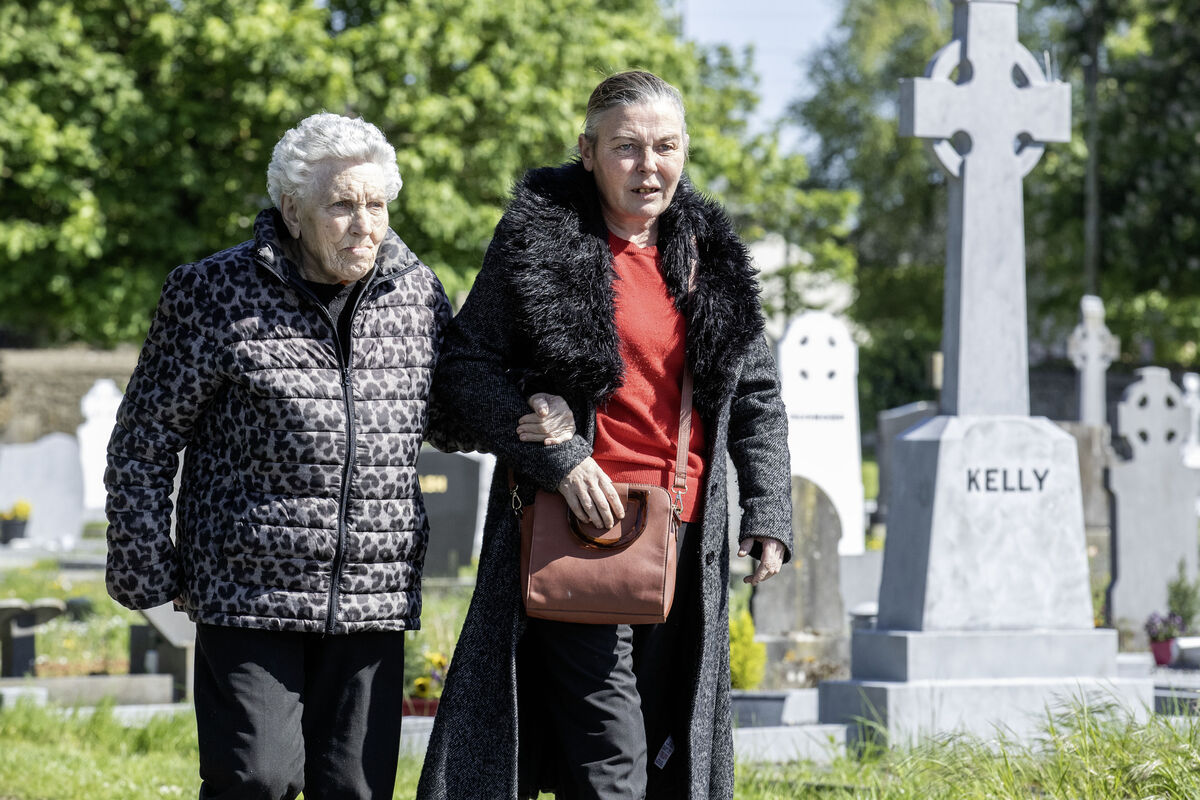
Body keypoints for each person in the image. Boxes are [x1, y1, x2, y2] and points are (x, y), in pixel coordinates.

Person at [418, 71, 793, 800]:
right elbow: (464, 366)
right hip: (577, 532)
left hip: (684, 540)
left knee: (660, 748)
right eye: (626, 147)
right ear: (587, 152)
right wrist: (555, 454)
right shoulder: (538, 237)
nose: (648, 166)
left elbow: (757, 394)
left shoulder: (709, 254)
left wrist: (769, 512)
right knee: (611, 760)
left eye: (665, 147)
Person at [104, 112, 455, 799]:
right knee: (254, 780)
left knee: (355, 789)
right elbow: (144, 438)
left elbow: (453, 416)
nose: (365, 225)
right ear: (292, 211)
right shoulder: (212, 293)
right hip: (248, 590)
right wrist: (149, 566)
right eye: (343, 206)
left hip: (370, 595)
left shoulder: (416, 294)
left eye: (377, 204)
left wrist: (543, 406)